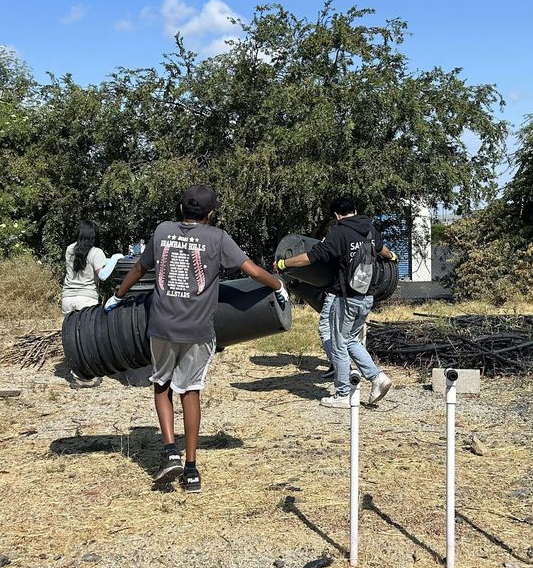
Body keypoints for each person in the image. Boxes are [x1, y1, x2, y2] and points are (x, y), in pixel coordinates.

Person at [107, 185, 286, 494]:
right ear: (210, 213)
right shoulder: (217, 238)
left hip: (161, 327)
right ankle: (191, 470)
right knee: (190, 392)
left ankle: (169, 451)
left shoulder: (162, 231)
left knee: (161, 386)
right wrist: (278, 285)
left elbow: (139, 267)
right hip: (198, 331)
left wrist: (117, 295)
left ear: (181, 210)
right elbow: (253, 271)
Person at [275, 196, 398, 409]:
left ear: (336, 215)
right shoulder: (369, 229)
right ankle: (377, 378)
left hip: (347, 297)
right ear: (355, 210)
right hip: (367, 296)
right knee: (351, 340)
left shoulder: (339, 232)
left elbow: (312, 257)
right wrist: (393, 257)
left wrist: (284, 263)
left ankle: (343, 393)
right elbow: (382, 250)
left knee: (340, 344)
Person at [60, 221, 107, 315]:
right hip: (87, 299)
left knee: (69, 329)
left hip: (67, 298)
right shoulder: (96, 252)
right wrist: (115, 259)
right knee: (87, 329)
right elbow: (103, 275)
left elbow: (83, 259)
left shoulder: (69, 249)